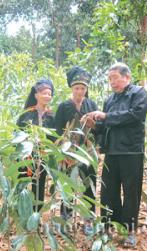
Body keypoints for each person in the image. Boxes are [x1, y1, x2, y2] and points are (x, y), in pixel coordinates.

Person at [86, 62, 147, 247]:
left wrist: (105, 117)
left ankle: (129, 231)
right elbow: (107, 126)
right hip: (112, 152)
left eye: (114, 78)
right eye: (109, 79)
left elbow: (134, 116)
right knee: (108, 191)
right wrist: (95, 126)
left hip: (131, 150)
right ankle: (108, 227)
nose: (111, 82)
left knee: (131, 191)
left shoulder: (139, 94)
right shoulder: (110, 100)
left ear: (127, 77)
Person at [55, 66, 98, 234]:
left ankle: (89, 219)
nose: (80, 91)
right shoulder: (64, 106)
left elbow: (98, 129)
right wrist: (61, 154)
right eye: (77, 88)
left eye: (83, 88)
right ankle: (65, 218)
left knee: (89, 185)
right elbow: (57, 131)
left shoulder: (91, 104)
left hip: (86, 152)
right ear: (72, 89)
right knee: (68, 186)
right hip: (69, 154)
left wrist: (93, 127)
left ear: (86, 89)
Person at [16, 79, 55, 211]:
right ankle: (20, 212)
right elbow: (18, 133)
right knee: (21, 184)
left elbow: (55, 137)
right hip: (26, 156)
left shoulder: (52, 116)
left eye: (49, 94)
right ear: (36, 95)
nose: (47, 96)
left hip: (43, 156)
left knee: (39, 184)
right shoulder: (26, 114)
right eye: (44, 93)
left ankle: (36, 214)